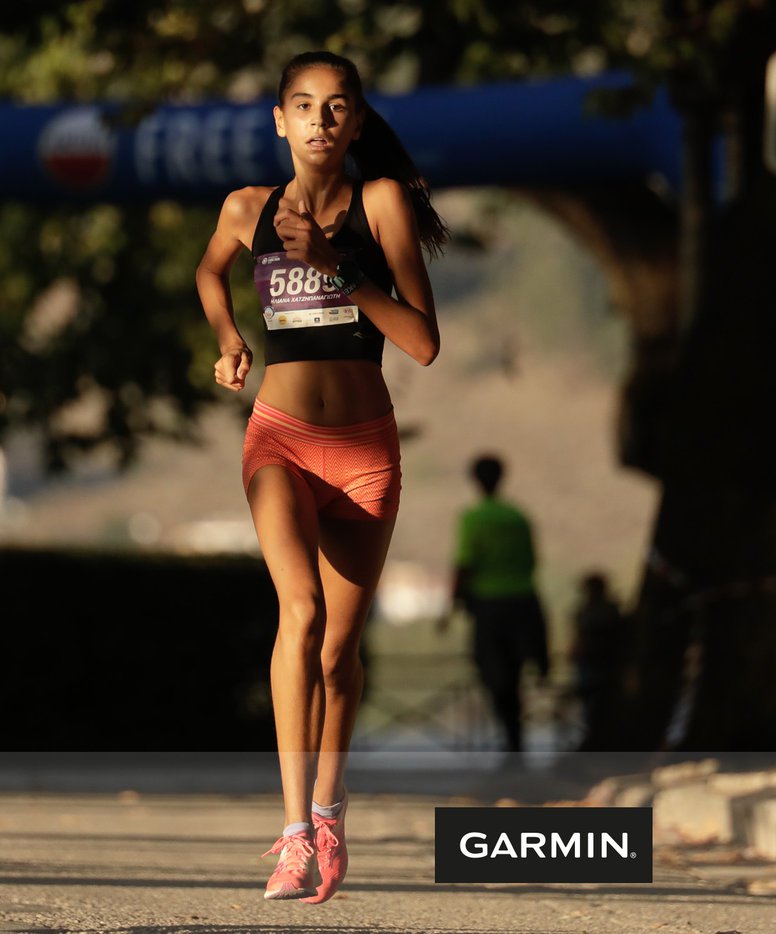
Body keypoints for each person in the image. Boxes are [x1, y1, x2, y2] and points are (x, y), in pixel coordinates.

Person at [196, 51, 445, 905]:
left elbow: (422, 341)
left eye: (337, 107)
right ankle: (294, 833)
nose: (320, 121)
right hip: (281, 439)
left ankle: (330, 812)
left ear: (358, 121)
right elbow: (208, 269)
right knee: (298, 613)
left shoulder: (382, 205)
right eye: (303, 106)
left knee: (339, 654)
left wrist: (340, 266)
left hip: (366, 451)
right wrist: (229, 336)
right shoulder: (246, 208)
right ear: (279, 120)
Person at [439, 454, 549, 762]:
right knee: (515, 673)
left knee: (495, 674)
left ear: (475, 480)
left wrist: (451, 607)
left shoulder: (473, 519)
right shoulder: (518, 517)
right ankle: (516, 741)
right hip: (524, 603)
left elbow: (464, 565)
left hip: (490, 608)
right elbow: (533, 561)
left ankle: (512, 742)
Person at [568, 571, 626, 749]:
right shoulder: (611, 611)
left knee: (593, 706)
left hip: (594, 666)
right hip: (604, 667)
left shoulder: (587, 611)